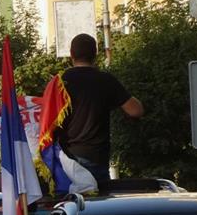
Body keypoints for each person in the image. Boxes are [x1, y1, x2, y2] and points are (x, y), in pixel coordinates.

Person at [57, 33, 144, 184]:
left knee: (70, 199)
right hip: (95, 157)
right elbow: (136, 110)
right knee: (100, 197)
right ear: (95, 54)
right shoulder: (106, 80)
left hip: (66, 159)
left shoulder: (59, 82)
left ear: (71, 54)